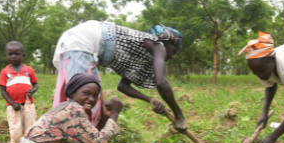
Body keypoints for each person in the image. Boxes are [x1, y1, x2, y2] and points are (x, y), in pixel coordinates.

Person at [53, 20, 189, 131]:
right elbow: (162, 83)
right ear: (167, 42)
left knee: (86, 103)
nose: (171, 56)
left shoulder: (141, 55)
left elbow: (123, 86)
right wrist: (179, 116)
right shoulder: (158, 45)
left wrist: (149, 99)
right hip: (81, 42)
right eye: (174, 51)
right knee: (84, 105)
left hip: (76, 43)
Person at [0, 41, 39, 143]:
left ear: (23, 55)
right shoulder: (5, 72)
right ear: (6, 55)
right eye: (10, 54)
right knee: (16, 129)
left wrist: (33, 90)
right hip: (13, 106)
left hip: (28, 104)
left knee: (30, 127)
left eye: (17, 54)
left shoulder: (28, 70)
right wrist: (12, 103)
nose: (14, 56)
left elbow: (35, 84)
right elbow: (2, 91)